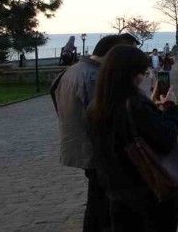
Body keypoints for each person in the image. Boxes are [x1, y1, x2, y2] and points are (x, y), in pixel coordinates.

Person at [86, 45, 178, 231]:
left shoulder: (95, 107)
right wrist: (171, 108)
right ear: (131, 73)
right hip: (148, 189)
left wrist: (151, 106)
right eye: (142, 72)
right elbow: (164, 139)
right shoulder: (135, 105)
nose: (143, 77)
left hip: (116, 190)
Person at [50, 33, 140, 231]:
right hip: (97, 150)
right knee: (104, 202)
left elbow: (54, 95)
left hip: (80, 145)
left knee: (98, 197)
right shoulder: (94, 77)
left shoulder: (72, 71)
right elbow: (104, 118)